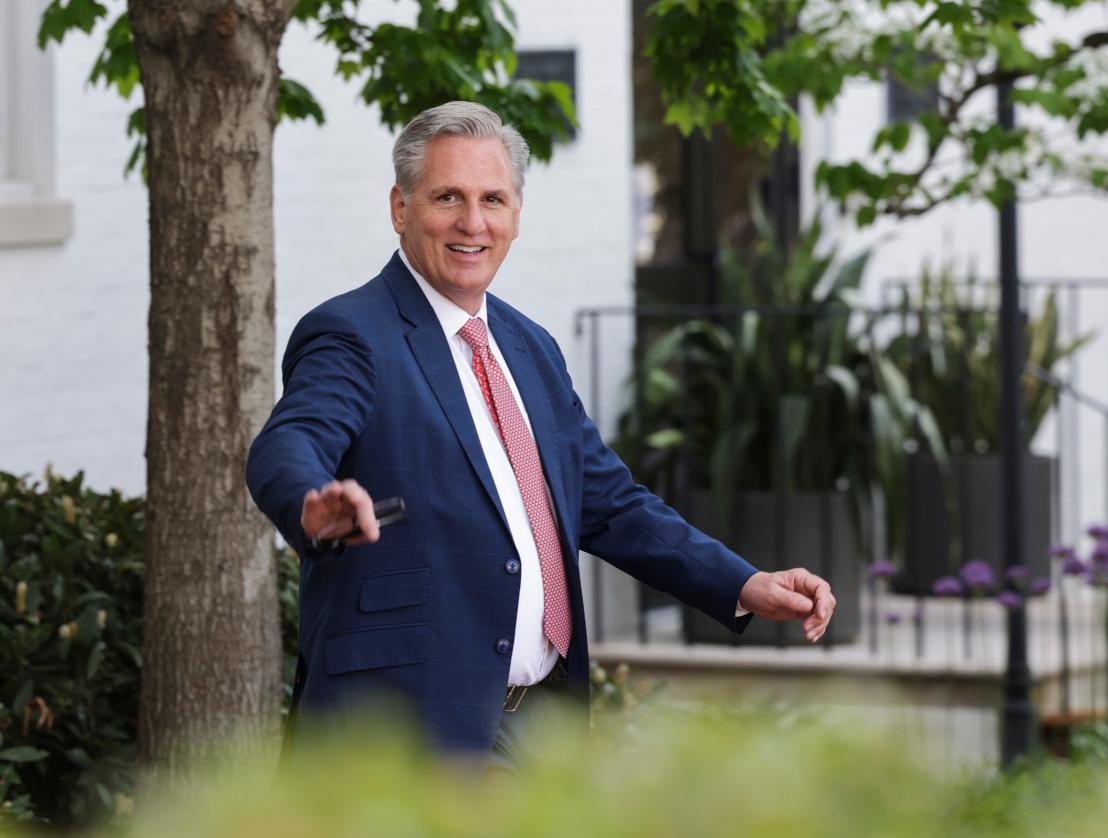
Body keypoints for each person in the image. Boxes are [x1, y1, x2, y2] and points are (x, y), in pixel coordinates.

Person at [246, 101, 836, 765]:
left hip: (541, 725)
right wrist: (309, 503)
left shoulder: (529, 349)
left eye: (492, 199)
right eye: (447, 197)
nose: (473, 222)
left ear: (516, 214)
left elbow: (610, 503)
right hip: (408, 732)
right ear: (400, 208)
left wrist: (739, 582)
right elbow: (287, 441)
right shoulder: (354, 334)